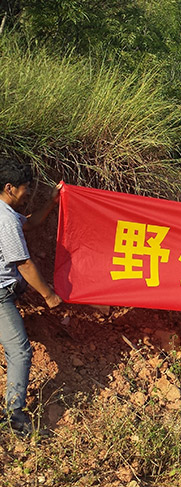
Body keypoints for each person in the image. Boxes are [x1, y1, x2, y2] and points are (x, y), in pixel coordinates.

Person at [0, 158, 62, 435]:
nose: (26, 194)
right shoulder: (4, 220)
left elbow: (29, 224)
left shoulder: (7, 214)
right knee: (20, 351)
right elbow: (24, 264)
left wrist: (52, 202)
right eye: (24, 188)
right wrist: (49, 295)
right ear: (9, 187)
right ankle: (14, 413)